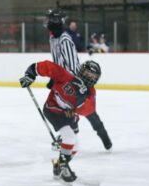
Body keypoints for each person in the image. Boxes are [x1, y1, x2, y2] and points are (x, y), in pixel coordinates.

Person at [19, 60, 102, 184]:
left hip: (68, 116)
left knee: (75, 146)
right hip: (53, 110)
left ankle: (58, 165)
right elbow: (46, 66)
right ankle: (64, 167)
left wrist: (81, 99)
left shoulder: (90, 92)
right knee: (69, 138)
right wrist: (30, 74)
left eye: (93, 76)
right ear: (81, 71)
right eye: (88, 73)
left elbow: (88, 110)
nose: (90, 77)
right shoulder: (66, 76)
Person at [44, 9, 112, 151]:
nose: (48, 22)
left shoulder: (65, 39)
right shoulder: (52, 38)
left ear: (57, 21)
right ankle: (69, 134)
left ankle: (104, 137)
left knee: (89, 111)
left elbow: (73, 65)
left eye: (50, 19)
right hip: (62, 80)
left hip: (72, 80)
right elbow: (57, 61)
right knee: (64, 108)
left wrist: (76, 85)